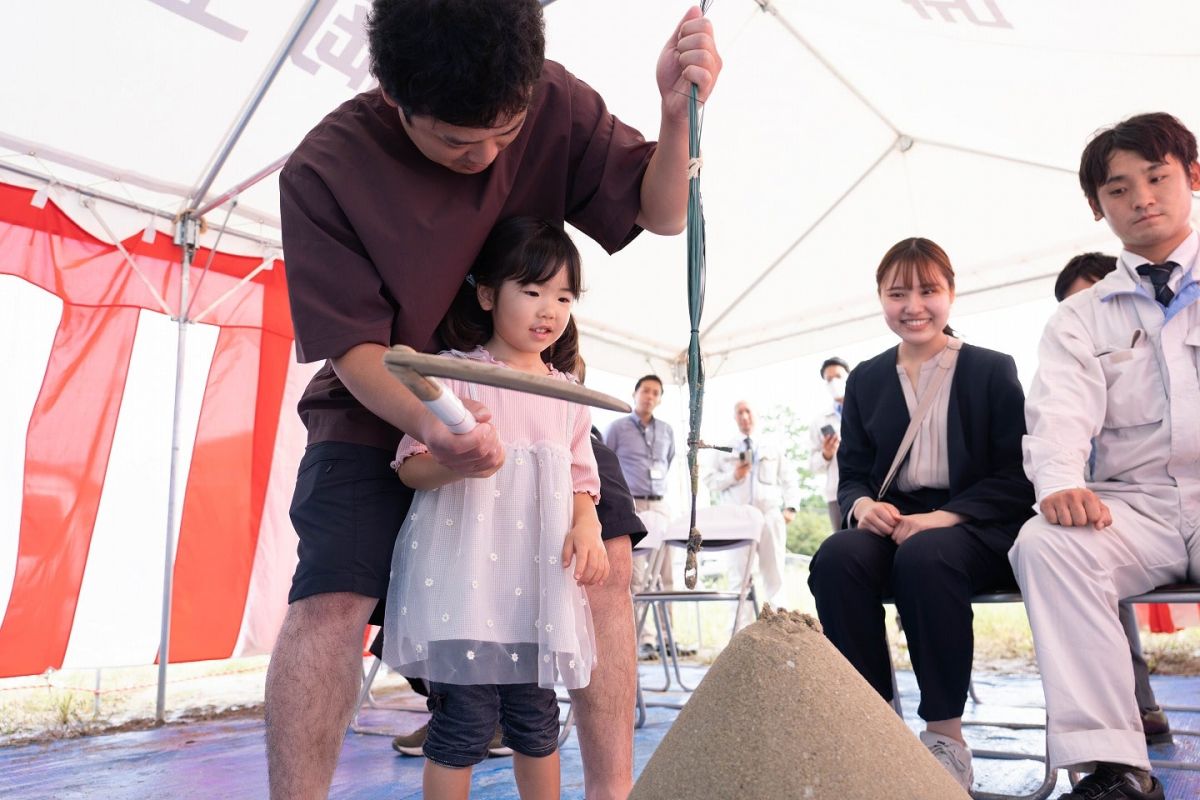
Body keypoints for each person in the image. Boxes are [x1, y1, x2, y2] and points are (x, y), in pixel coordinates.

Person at [267, 1, 722, 797]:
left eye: (506, 134)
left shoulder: (553, 99)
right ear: (393, 95)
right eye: (455, 140)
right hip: (380, 400)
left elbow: (662, 211)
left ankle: (611, 791)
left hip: (531, 401)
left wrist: (675, 111)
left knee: (608, 561)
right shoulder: (324, 170)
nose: (485, 156)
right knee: (332, 598)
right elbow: (360, 349)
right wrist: (433, 424)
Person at [1011, 112, 1200, 800]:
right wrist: (1060, 482)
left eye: (1157, 177)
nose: (1142, 197)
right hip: (1134, 509)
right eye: (1118, 189)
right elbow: (1058, 411)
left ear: (1193, 178)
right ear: (1098, 207)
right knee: (1047, 543)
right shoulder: (1079, 319)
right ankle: (1116, 768)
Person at [382, 217, 606, 798]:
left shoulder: (569, 395)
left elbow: (583, 479)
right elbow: (410, 465)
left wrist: (586, 525)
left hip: (537, 590)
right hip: (465, 589)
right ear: (487, 294)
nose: (548, 309)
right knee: (463, 723)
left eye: (562, 296)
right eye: (531, 291)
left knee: (536, 721)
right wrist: (454, 461)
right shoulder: (457, 375)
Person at [807, 237, 1034, 793]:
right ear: (880, 299)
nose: (914, 305)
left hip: (972, 527)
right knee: (836, 558)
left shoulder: (990, 369)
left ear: (951, 294)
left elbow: (1016, 476)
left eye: (928, 290)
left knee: (927, 558)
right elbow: (854, 469)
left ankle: (944, 736)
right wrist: (862, 506)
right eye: (898, 292)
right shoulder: (865, 377)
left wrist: (945, 518)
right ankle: (875, 724)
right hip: (895, 519)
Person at [1053, 252, 1172, 747]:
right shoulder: (1068, 357)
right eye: (1070, 303)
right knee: (1074, 554)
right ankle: (1124, 728)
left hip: (1166, 500)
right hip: (1107, 508)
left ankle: (1140, 707)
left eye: (1089, 294)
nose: (1083, 309)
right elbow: (1056, 432)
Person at [605, 375, 677, 659]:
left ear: (660, 399)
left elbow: (668, 461)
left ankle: (667, 638)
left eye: (655, 393)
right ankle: (642, 639)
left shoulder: (668, 431)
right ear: (635, 394)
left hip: (659, 504)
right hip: (631, 504)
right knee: (635, 574)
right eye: (645, 391)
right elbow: (608, 462)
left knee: (666, 573)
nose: (649, 396)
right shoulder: (617, 427)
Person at [705, 400, 798, 606]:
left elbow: (789, 478)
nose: (744, 416)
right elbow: (709, 480)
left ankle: (780, 627)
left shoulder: (773, 445)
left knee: (775, 574)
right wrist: (734, 475)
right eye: (739, 412)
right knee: (739, 577)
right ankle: (741, 631)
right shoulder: (724, 447)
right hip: (738, 519)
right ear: (734, 417)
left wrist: (791, 507)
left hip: (769, 515)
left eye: (748, 411)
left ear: (756, 414)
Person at [809, 356, 849, 530]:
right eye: (829, 379)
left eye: (838, 377)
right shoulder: (819, 421)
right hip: (837, 494)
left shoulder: (867, 409)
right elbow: (813, 467)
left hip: (872, 489)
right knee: (844, 547)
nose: (834, 383)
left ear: (849, 376)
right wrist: (826, 454)